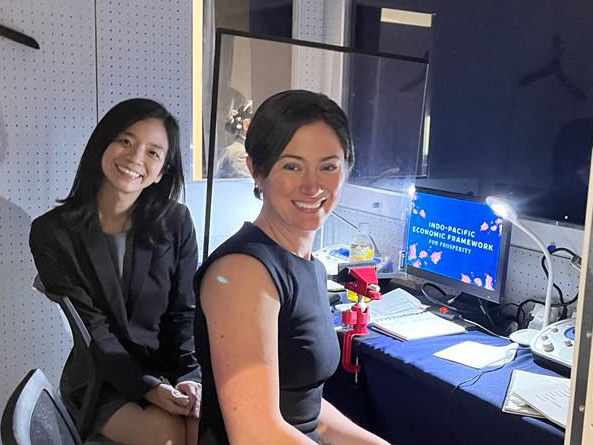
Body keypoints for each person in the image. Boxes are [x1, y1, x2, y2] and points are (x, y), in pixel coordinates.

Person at [194, 89, 390, 445]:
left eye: (328, 166)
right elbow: (255, 434)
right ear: (257, 170)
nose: (312, 185)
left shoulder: (309, 265)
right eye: (292, 166)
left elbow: (308, 412)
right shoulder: (243, 274)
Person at [29, 98, 201, 445]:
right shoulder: (53, 233)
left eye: (153, 153)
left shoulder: (177, 222)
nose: (136, 157)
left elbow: (183, 314)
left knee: (203, 428)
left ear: (162, 171)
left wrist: (189, 377)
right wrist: (147, 388)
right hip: (101, 376)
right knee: (168, 436)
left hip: (167, 368)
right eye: (125, 140)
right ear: (102, 145)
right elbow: (95, 331)